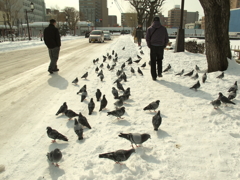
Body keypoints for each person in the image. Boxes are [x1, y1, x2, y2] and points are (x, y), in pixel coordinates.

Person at [146, 17, 169, 81]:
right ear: (159, 21)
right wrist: (164, 45)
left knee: (153, 61)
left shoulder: (149, 29)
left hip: (153, 46)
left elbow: (147, 39)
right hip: (160, 47)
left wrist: (149, 45)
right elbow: (166, 38)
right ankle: (159, 72)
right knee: (160, 60)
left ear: (153, 21)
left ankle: (154, 76)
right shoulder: (163, 29)